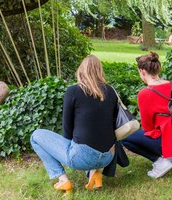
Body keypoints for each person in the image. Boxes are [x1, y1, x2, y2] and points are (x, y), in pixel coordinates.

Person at [29, 56, 119, 192]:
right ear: (100, 71)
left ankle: (63, 180)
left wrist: (68, 147)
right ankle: (94, 174)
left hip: (82, 157)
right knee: (93, 136)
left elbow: (67, 128)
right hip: (108, 156)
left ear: (81, 71)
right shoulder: (111, 91)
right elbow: (112, 123)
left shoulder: (73, 91)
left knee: (35, 136)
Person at [120, 51, 172, 179]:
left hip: (168, 138)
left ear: (142, 71)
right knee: (152, 133)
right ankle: (169, 155)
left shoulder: (145, 93)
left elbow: (147, 126)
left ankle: (160, 161)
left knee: (125, 137)